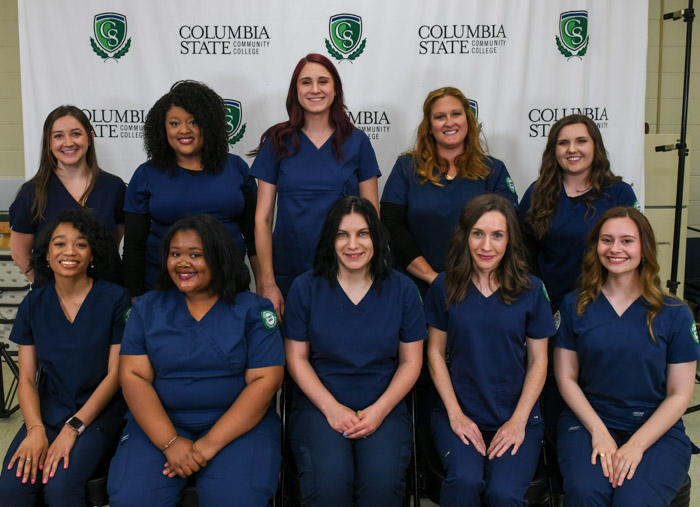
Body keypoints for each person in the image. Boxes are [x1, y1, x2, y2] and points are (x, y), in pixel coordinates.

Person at [108, 214, 284, 506]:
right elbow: (133, 377)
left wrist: (205, 448)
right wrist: (171, 442)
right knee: (132, 498)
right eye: (175, 254)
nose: (182, 263)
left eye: (195, 255)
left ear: (219, 258)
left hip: (238, 427)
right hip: (161, 423)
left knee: (238, 500)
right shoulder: (147, 308)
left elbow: (266, 382)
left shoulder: (254, 310)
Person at [284, 196, 425, 507]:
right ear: (330, 239)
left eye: (362, 233)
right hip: (319, 407)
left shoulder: (402, 290)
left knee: (381, 486)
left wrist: (379, 410)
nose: (353, 245)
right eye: (342, 234)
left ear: (376, 237)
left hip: (384, 406)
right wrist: (332, 408)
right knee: (330, 485)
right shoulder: (305, 288)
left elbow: (411, 362)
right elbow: (296, 358)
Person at [554, 207, 699, 506]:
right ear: (596, 247)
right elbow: (566, 377)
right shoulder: (574, 306)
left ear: (644, 249)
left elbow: (679, 393)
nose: (615, 249)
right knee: (586, 493)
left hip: (655, 426)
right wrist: (599, 432)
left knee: (634, 500)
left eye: (627, 241)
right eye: (607, 240)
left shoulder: (675, 314)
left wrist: (636, 445)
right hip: (588, 420)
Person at [424, 194, 554, 506]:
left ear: (510, 240)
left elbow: (539, 361)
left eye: (497, 236)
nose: (486, 246)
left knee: (503, 493)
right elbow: (434, 354)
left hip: (516, 414)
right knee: (465, 482)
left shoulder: (532, 290)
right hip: (460, 411)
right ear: (465, 236)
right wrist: (455, 415)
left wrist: (519, 421)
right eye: (478, 234)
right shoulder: (444, 286)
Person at [0, 210, 130, 507]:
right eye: (59, 244)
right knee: (11, 490)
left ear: (93, 254)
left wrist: (73, 428)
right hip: (47, 412)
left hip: (99, 413)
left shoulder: (115, 299)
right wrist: (35, 430)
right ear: (46, 255)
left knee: (60, 487)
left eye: (81, 244)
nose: (69, 251)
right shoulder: (33, 303)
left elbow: (115, 376)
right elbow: (27, 379)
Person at [250, 53, 380, 316]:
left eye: (323, 81)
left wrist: (370, 272)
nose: (315, 89)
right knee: (291, 352)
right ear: (295, 90)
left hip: (348, 269)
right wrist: (267, 282)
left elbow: (373, 216)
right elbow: (262, 219)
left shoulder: (358, 142)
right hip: (289, 271)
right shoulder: (277, 140)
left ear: (335, 90)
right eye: (306, 82)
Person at [122, 80, 258, 298]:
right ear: (162, 129)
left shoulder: (237, 168)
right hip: (162, 291)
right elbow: (134, 247)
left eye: (193, 122)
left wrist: (265, 284)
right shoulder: (146, 174)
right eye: (174, 124)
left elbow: (254, 238)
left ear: (209, 124)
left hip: (228, 290)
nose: (184, 130)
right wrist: (135, 297)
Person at [381, 87, 518, 295]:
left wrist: (475, 281)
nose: (449, 122)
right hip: (416, 288)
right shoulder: (406, 167)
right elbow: (391, 227)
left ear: (468, 120)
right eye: (440, 117)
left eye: (456, 114)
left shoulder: (493, 170)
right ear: (429, 126)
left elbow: (507, 229)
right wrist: (432, 278)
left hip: (480, 289)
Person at [519, 114, 639, 312]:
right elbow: (522, 250)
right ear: (554, 150)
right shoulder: (537, 192)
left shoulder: (619, 193)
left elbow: (637, 250)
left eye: (581, 141)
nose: (572, 149)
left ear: (595, 146)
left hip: (606, 306)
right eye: (563, 143)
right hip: (549, 308)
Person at [9, 105, 126, 284]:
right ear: (49, 144)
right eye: (58, 136)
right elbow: (19, 253)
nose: (68, 142)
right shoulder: (32, 192)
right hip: (54, 300)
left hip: (108, 297)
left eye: (76, 134)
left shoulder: (114, 187)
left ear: (90, 138)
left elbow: (112, 244)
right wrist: (46, 287)